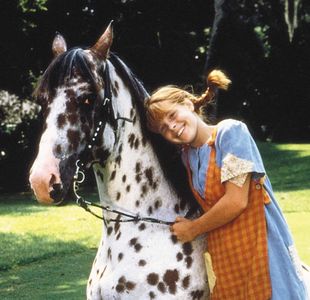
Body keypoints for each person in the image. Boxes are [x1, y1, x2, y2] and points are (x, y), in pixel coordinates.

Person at [145, 70, 308, 300]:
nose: (171, 127)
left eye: (172, 115)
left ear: (189, 105)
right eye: (163, 128)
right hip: (228, 255)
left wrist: (193, 229)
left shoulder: (230, 134)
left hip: (261, 246)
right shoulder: (187, 157)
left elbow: (236, 201)